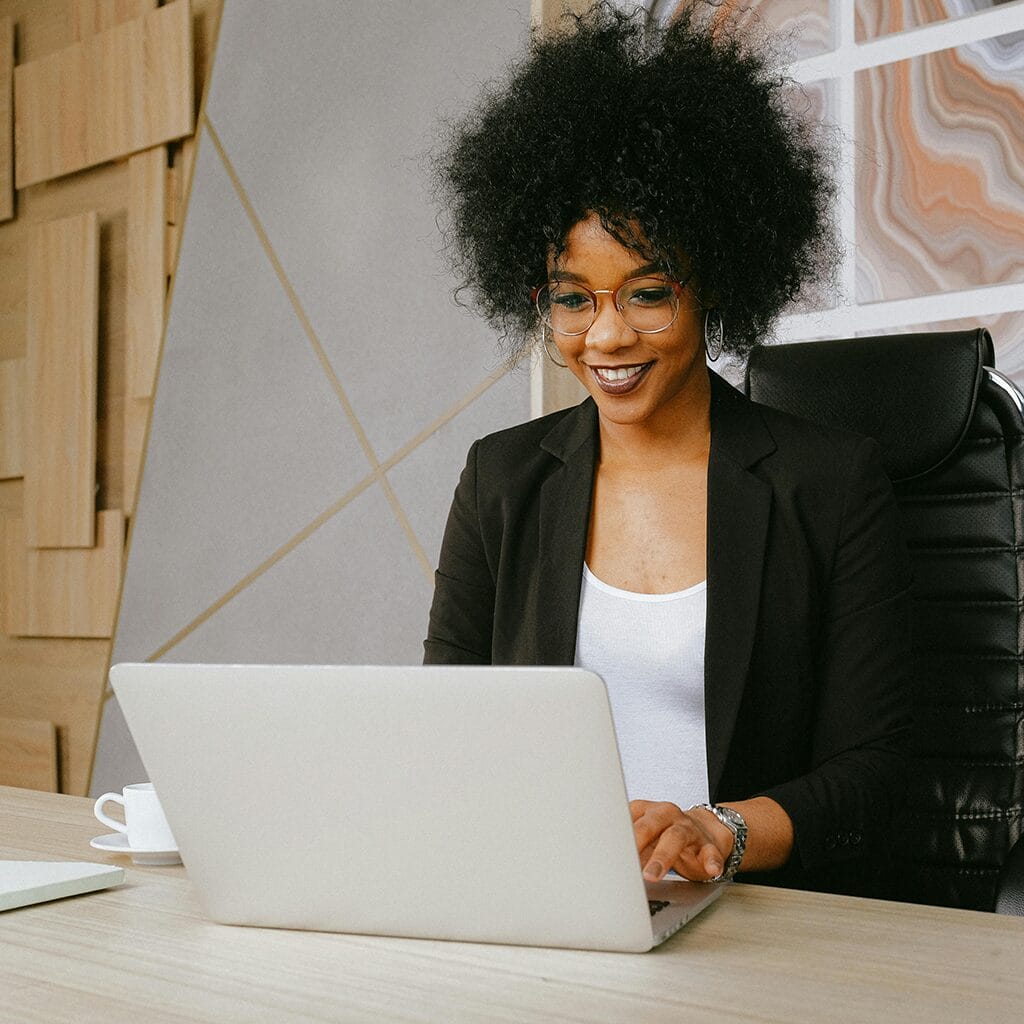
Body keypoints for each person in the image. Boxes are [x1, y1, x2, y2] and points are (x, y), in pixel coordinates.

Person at [424, 2, 911, 897]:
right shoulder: (504, 478)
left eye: (647, 293)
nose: (605, 337)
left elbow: (874, 773)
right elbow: (447, 726)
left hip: (758, 915)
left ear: (714, 282)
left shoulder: (830, 483)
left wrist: (717, 831)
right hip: (550, 899)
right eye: (573, 300)